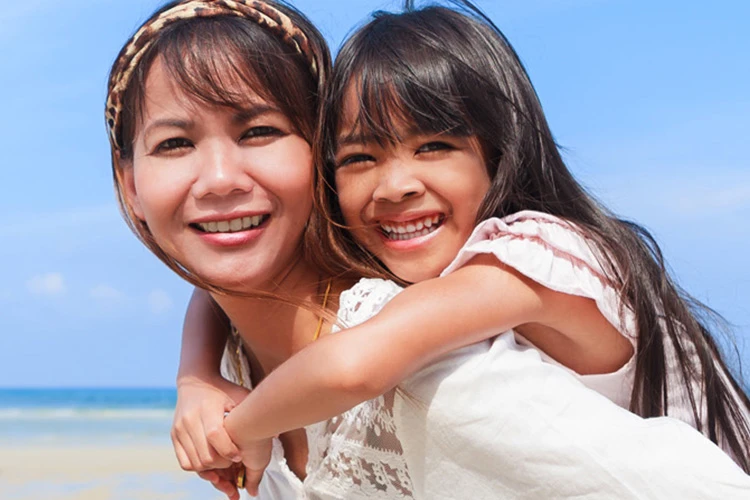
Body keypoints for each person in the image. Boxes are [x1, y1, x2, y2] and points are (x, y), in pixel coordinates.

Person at [105, 1, 750, 499]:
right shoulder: (243, 359)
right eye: (174, 144)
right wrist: (196, 377)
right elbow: (216, 289)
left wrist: (232, 430)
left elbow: (356, 365)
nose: (219, 179)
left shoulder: (449, 345)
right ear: (129, 185)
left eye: (260, 130)